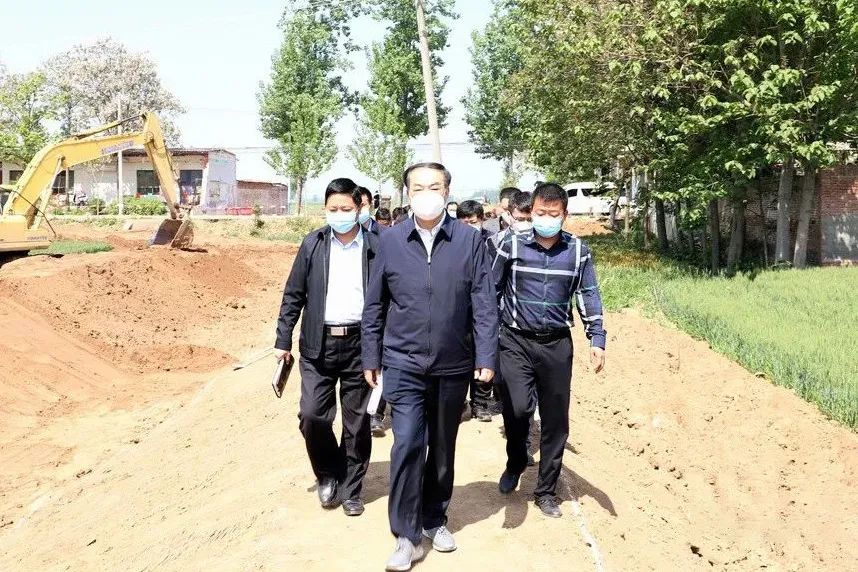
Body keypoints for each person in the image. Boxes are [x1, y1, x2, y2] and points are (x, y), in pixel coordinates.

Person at [362, 162, 498, 571]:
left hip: (452, 363)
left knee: (441, 446)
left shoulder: (469, 240)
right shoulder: (389, 240)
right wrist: (371, 355)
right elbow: (375, 303)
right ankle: (405, 535)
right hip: (402, 362)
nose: (426, 193)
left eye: (434, 186)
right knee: (406, 443)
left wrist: (486, 356)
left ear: (447, 192)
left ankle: (435, 518)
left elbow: (483, 301)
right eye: (418, 187)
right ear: (408, 193)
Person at [489, 183, 607, 519]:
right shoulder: (511, 244)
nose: (546, 219)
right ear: (532, 211)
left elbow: (588, 293)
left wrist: (596, 338)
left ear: (564, 215)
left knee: (556, 420)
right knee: (518, 408)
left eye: (553, 214)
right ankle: (516, 460)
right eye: (540, 212)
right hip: (515, 341)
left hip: (556, 344)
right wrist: (484, 337)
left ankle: (545, 491)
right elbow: (491, 290)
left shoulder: (578, 251)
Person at [274, 178, 379, 517]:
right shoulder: (313, 244)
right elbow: (294, 293)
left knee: (357, 422)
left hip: (361, 345)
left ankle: (351, 488)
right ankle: (327, 472)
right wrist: (283, 339)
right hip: (318, 344)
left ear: (359, 208)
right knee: (312, 415)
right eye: (333, 209)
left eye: (346, 208)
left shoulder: (377, 246)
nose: (339, 214)